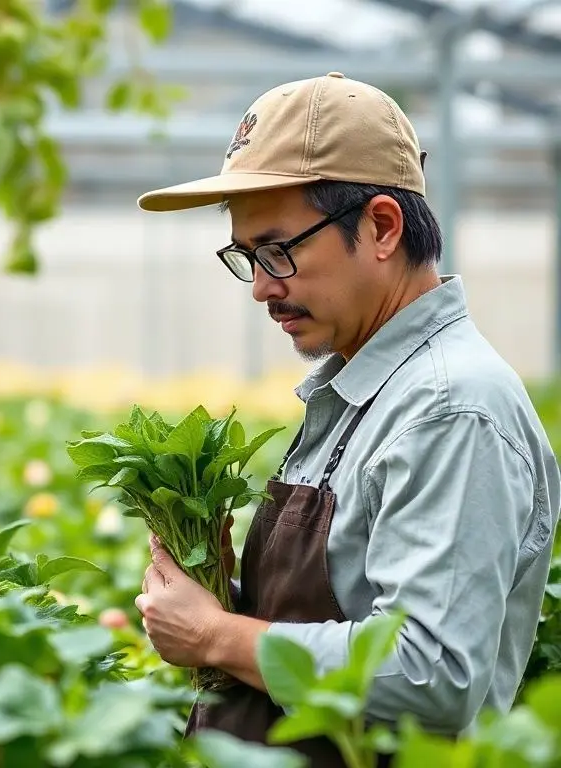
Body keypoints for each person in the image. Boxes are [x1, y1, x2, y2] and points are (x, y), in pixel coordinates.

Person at [131, 72, 561, 766]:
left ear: (382, 227)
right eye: (247, 258)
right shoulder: (359, 386)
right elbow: (340, 611)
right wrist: (214, 597)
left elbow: (433, 670)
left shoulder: (449, 408)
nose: (264, 286)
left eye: (278, 250)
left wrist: (217, 637)